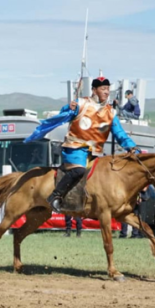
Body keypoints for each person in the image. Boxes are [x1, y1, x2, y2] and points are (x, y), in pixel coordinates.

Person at [34, 76, 137, 212]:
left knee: (108, 172)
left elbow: (119, 133)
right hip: (75, 148)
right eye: (103, 89)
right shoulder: (81, 104)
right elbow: (64, 115)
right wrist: (67, 108)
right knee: (78, 171)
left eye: (108, 89)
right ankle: (55, 196)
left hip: (96, 152)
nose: (106, 92)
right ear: (94, 90)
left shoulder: (111, 112)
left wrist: (130, 145)